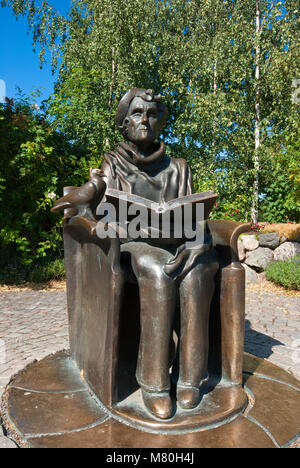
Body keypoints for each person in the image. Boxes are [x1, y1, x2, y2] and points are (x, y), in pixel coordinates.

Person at [54, 88, 219, 420]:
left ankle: (191, 378)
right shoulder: (111, 164)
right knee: (158, 270)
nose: (145, 119)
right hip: (131, 247)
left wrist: (196, 242)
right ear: (124, 123)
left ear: (161, 122)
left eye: (152, 114)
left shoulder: (179, 168)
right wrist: (88, 195)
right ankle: (154, 384)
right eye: (137, 113)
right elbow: (89, 210)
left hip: (178, 243)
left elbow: (190, 213)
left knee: (200, 270)